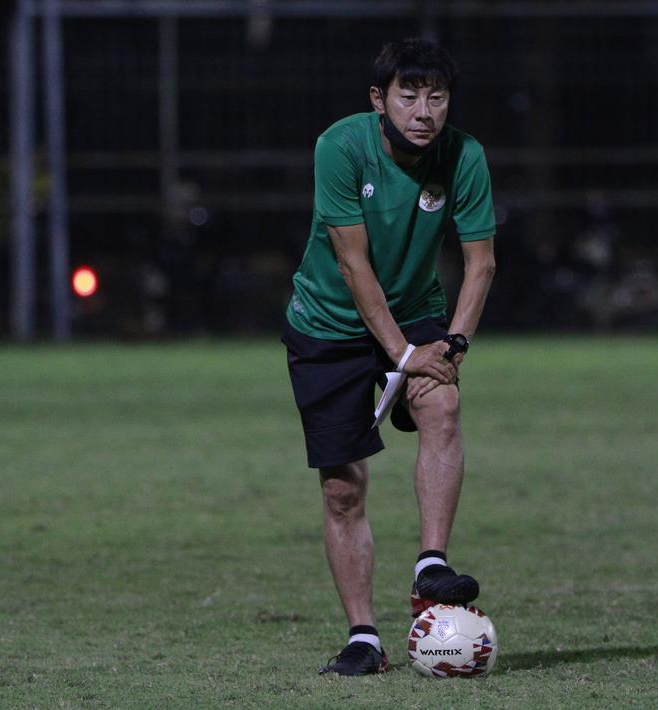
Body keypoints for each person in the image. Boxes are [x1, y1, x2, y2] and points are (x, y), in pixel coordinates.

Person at [281, 38, 497, 676]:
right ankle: (365, 639)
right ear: (380, 99)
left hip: (414, 310)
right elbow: (353, 264)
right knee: (343, 488)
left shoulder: (465, 155)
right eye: (409, 95)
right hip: (328, 324)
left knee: (443, 403)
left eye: (437, 96)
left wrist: (451, 344)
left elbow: (481, 263)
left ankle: (431, 566)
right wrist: (402, 353)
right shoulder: (339, 147)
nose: (424, 110)